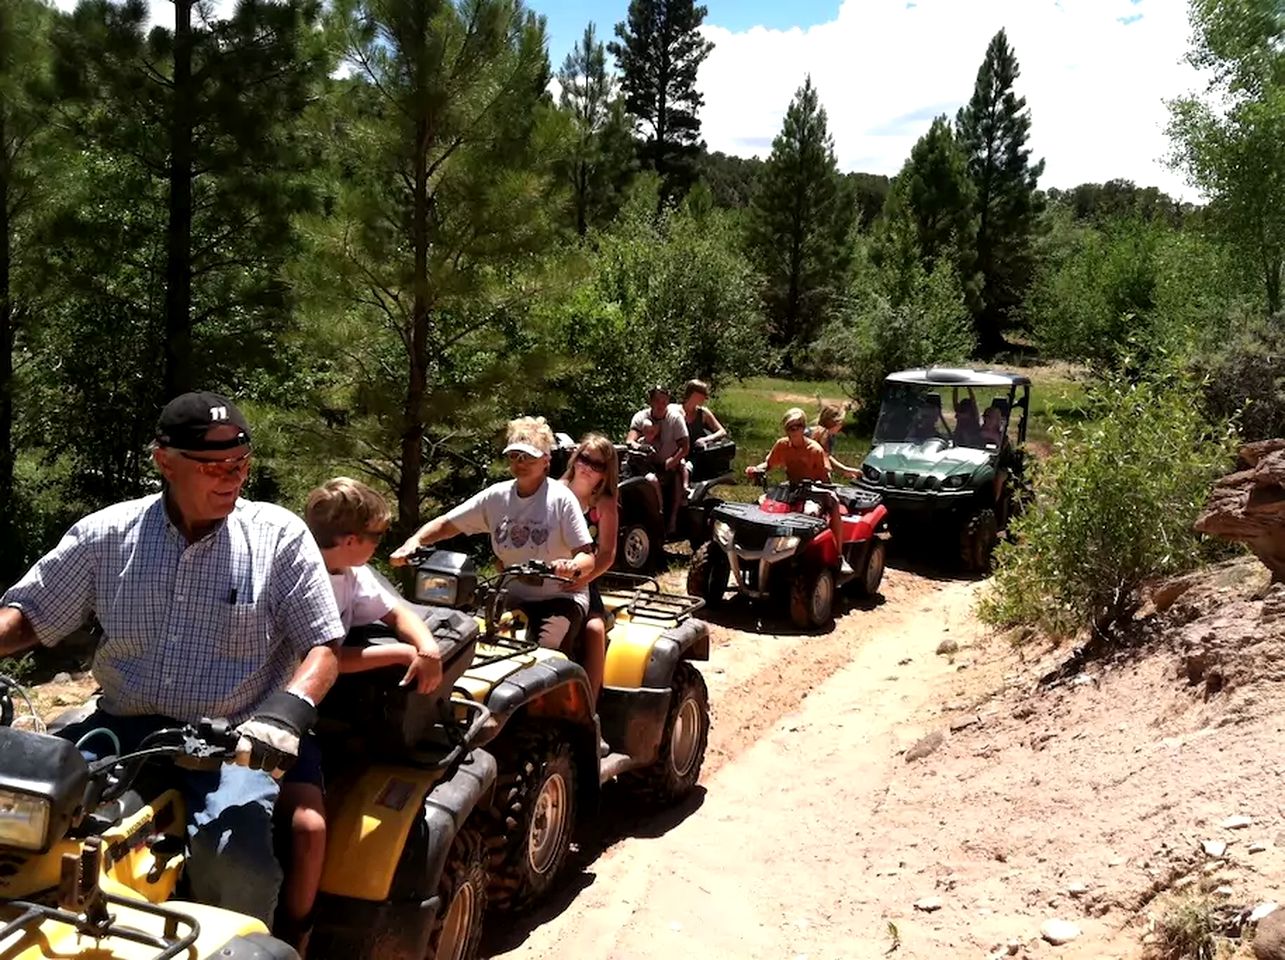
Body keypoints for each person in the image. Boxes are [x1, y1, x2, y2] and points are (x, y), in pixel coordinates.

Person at [0, 392, 344, 930]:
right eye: (213, 466)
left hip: (233, 742)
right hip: (121, 728)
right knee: (22, 814)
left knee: (236, 859)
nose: (231, 478)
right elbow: (30, 615)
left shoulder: (278, 536)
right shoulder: (106, 534)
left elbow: (323, 648)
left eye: (240, 465)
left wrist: (285, 713)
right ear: (164, 460)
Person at [278, 477, 445, 948]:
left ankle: (300, 929)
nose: (377, 545)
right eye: (374, 538)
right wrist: (395, 655)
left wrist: (425, 646)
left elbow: (396, 610)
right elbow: (318, 659)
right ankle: (296, 934)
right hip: (286, 705)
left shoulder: (349, 572)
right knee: (310, 826)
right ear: (351, 541)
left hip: (320, 707)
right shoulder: (299, 576)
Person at [390, 416, 595, 652]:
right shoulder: (496, 497)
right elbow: (446, 525)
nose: (520, 462)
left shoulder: (561, 498)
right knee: (472, 646)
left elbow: (587, 558)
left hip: (559, 600)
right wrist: (414, 542)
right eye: (514, 455)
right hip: (510, 596)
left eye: (528, 456)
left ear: (546, 460)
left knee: (546, 653)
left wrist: (570, 566)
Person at [747, 407, 849, 572]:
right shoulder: (782, 445)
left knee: (813, 511)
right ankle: (760, 549)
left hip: (815, 488)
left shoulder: (814, 449)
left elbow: (824, 475)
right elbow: (770, 463)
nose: (794, 431)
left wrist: (823, 487)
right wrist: (756, 469)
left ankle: (838, 556)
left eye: (798, 426)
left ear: (803, 427)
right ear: (785, 429)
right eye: (790, 427)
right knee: (761, 506)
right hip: (792, 488)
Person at [558, 435, 619, 709]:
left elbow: (606, 554)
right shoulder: (554, 491)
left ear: (606, 472)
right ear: (575, 458)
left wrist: (584, 579)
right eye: (584, 458)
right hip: (541, 573)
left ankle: (590, 710)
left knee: (594, 629)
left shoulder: (603, 505)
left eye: (596, 463)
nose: (587, 467)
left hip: (583, 580)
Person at [626, 385, 689, 535]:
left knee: (677, 477)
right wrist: (639, 446)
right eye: (657, 401)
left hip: (668, 463)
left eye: (664, 401)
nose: (661, 405)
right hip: (645, 463)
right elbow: (630, 440)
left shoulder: (675, 419)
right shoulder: (641, 417)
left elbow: (685, 447)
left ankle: (672, 520)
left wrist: (671, 462)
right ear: (651, 402)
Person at [809, 402, 860, 480]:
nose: (841, 426)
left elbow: (826, 457)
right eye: (841, 423)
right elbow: (825, 458)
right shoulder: (825, 436)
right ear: (835, 423)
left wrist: (845, 470)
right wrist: (845, 469)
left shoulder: (825, 435)